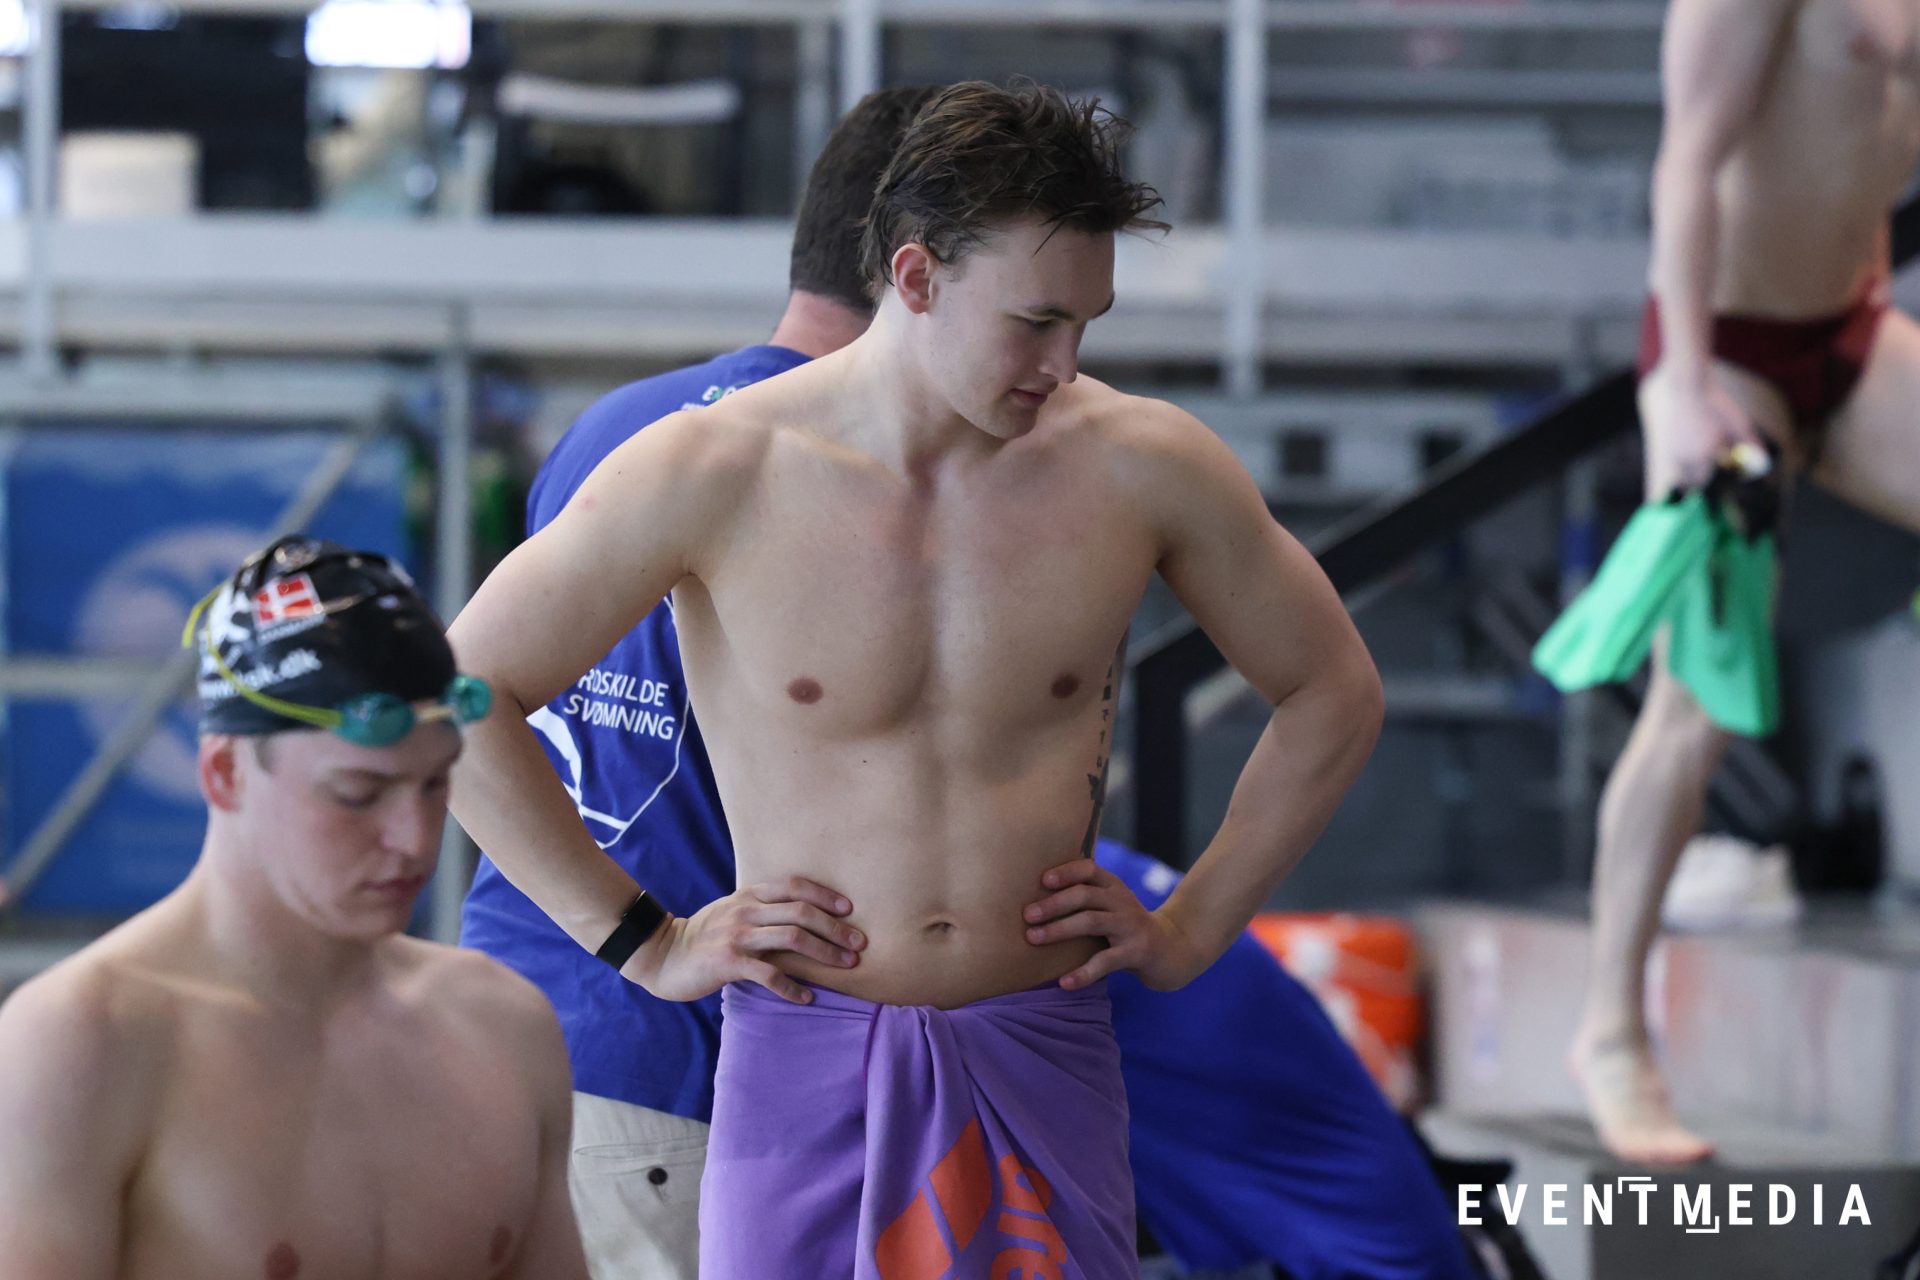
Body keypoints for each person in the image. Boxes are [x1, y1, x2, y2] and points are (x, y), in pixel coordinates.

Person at [463, 82, 1474, 1280]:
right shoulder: (717, 467)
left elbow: (1332, 691)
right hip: (804, 1050)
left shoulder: (1143, 465)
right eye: (1035, 322)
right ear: (917, 276)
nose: (1063, 363)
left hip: (1043, 1041)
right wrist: (646, 940)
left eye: (1087, 324)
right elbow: (459, 695)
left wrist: (1194, 924)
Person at [0, 536, 589, 1279]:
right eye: (359, 794)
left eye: (435, 785)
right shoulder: (84, 1042)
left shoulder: (504, 1027)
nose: (413, 840)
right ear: (224, 773)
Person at [1575, 0, 1920, 1164]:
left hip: (1853, 329)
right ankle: (1611, 1031)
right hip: (1727, 347)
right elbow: (1689, 158)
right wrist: (1680, 385)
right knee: (1698, 708)